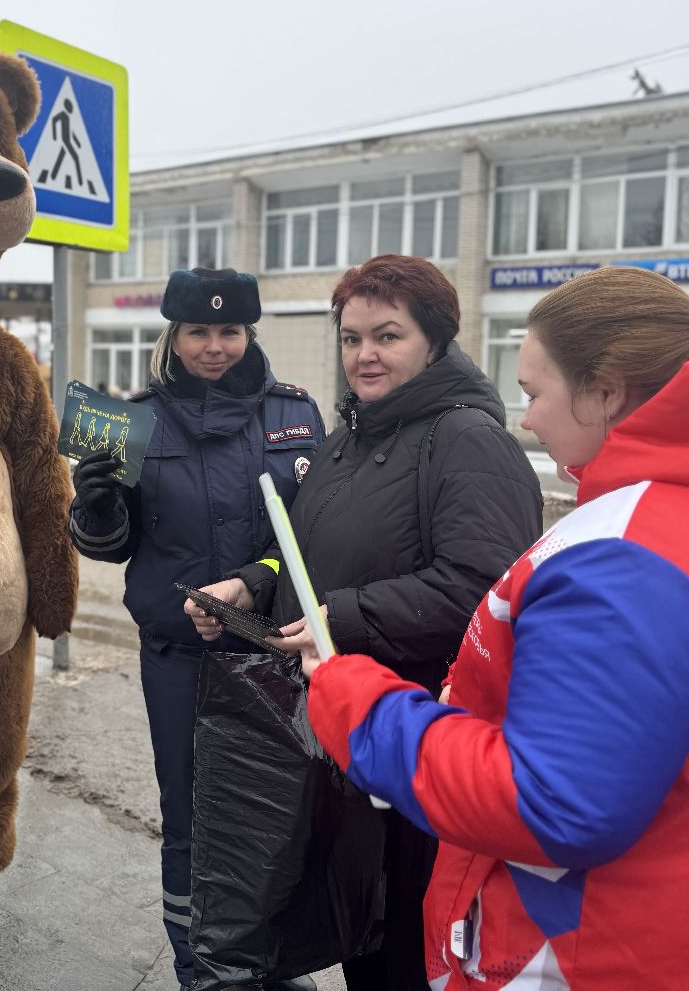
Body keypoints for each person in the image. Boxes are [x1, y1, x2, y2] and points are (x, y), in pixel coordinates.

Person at [301, 266, 689, 988]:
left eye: (535, 393)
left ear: (605, 390)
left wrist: (357, 701)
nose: (525, 418)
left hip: (594, 949)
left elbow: (546, 802)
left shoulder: (630, 561)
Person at [188, 254, 543, 990]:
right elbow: (310, 549)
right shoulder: (354, 436)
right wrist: (255, 585)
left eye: (387, 336)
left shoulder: (467, 440)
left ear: (435, 342)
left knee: (401, 943)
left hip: (418, 744)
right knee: (358, 926)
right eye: (351, 339)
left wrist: (338, 618)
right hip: (351, 732)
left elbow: (484, 589)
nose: (365, 355)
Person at [70, 266, 326, 991]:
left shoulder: (297, 416)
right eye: (198, 332)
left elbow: (317, 533)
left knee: (279, 814)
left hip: (275, 657)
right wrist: (93, 508)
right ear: (173, 336)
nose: (214, 347)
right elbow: (112, 544)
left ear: (249, 334)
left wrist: (257, 578)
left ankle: (268, 956)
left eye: (229, 331)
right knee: (190, 818)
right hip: (178, 659)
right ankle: (200, 967)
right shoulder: (132, 421)